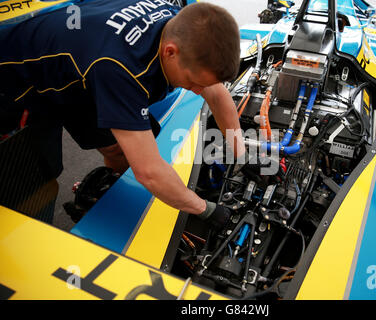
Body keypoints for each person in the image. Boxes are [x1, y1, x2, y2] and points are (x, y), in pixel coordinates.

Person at [0, 0, 245, 227]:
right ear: (170, 52)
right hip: (18, 82)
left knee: (125, 146)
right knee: (32, 181)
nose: (199, 91)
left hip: (84, 71)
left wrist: (242, 154)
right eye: (193, 82)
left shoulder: (179, 24)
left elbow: (215, 92)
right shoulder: (120, 69)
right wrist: (206, 210)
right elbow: (148, 171)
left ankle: (111, 192)